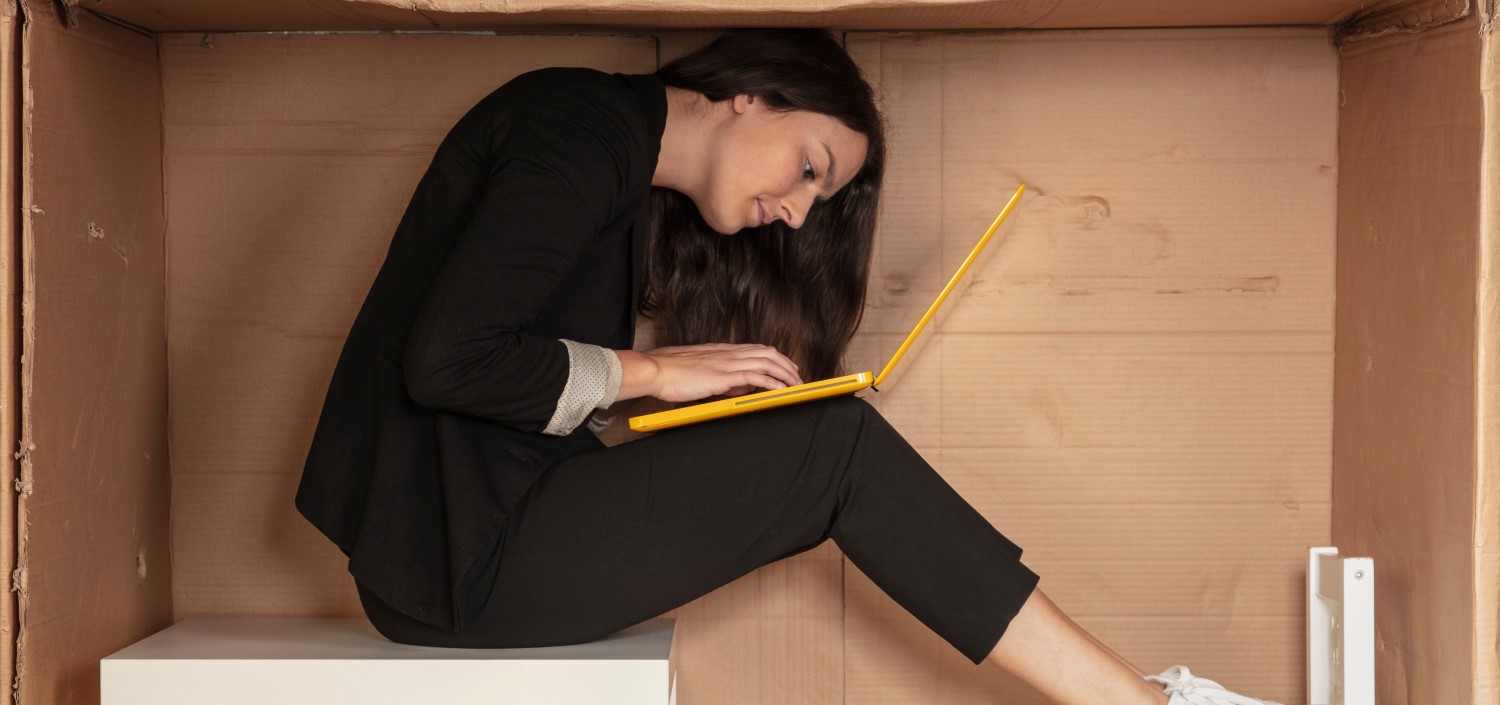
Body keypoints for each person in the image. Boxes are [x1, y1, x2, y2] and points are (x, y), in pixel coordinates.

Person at [294, 28, 1280, 705]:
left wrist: (678, 393)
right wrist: (656, 374)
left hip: (476, 539)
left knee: (818, 436)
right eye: (810, 165)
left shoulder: (604, 154)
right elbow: (448, 361)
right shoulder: (576, 127)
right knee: (835, 448)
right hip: (460, 569)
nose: (802, 210)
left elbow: (496, 374)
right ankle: (1136, 701)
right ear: (748, 94)